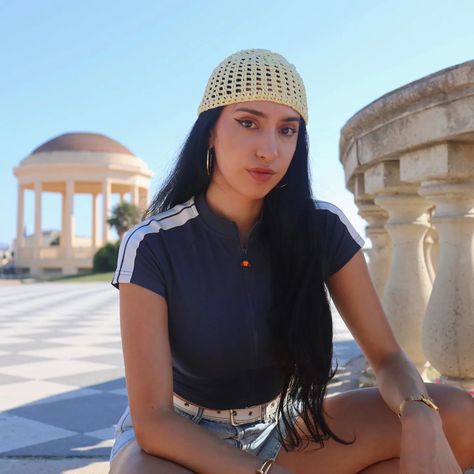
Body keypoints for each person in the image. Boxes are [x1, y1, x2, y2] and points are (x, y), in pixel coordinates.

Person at [108, 49, 474, 474]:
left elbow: (389, 359)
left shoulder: (321, 227)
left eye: (287, 130)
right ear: (209, 132)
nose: (269, 149)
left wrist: (419, 412)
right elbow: (154, 421)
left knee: (458, 418)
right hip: (182, 440)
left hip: (283, 430)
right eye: (248, 123)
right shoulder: (153, 244)